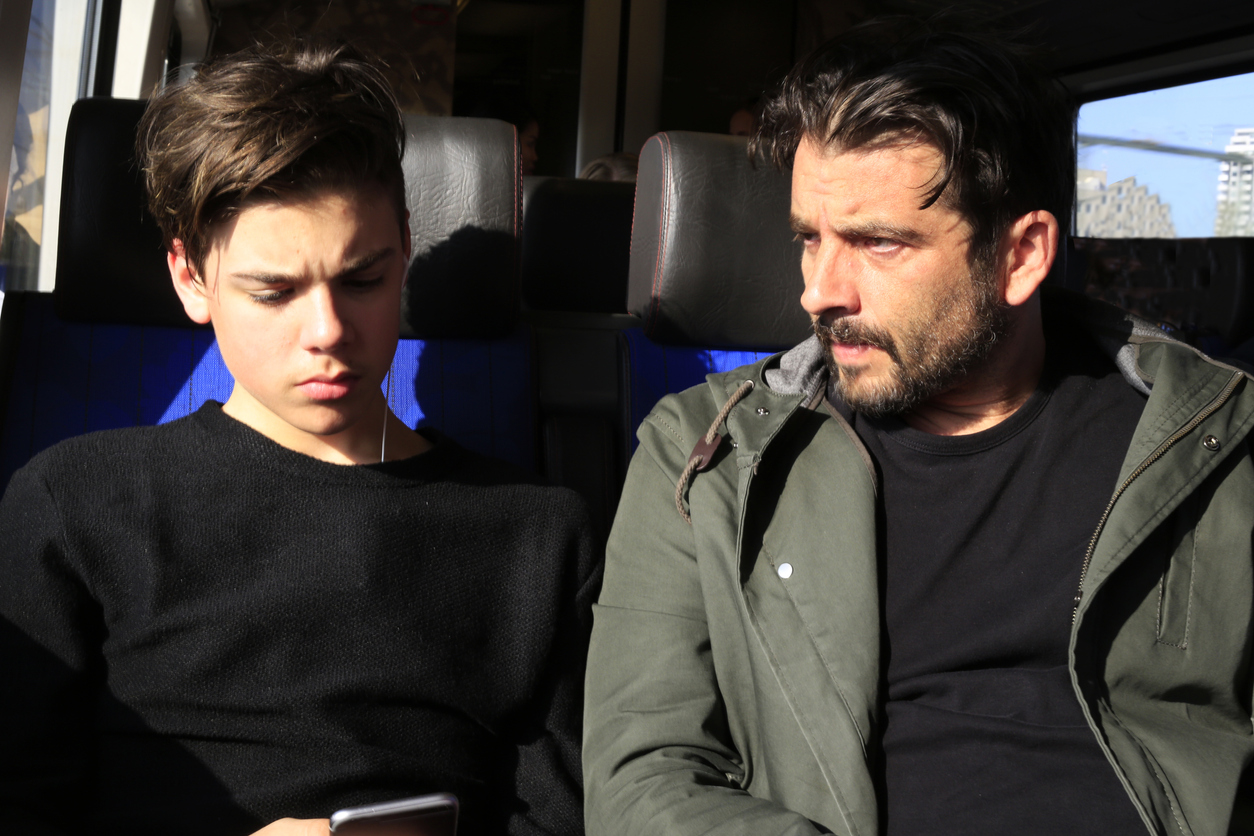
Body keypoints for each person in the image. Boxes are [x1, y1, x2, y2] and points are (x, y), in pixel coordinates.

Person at [583, 17, 1254, 836]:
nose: (820, 292)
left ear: (1020, 256)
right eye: (809, 239)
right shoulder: (709, 459)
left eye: (878, 243)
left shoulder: (1211, 451)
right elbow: (640, 781)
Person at [0, 40, 598, 836]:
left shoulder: (537, 537)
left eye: (363, 280)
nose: (329, 331)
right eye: (273, 292)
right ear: (190, 277)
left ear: (405, 252)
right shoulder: (77, 506)